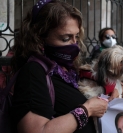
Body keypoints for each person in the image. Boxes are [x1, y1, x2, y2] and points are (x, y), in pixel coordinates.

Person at [10, 1, 108, 133]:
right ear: (40, 38)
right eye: (66, 38)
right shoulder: (33, 71)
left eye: (76, 37)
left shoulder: (68, 71)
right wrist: (87, 110)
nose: (75, 45)